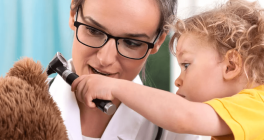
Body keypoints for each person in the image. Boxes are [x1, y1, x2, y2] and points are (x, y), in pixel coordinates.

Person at [71, 0, 264, 139]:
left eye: (186, 66)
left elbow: (183, 116)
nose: (177, 81)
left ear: (231, 66)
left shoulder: (257, 107)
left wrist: (115, 87)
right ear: (72, 14)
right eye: (94, 31)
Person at [49, 0, 200, 140]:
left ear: (157, 41)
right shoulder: (26, 103)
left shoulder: (175, 133)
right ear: (73, 12)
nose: (105, 59)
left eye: (131, 43)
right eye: (94, 31)